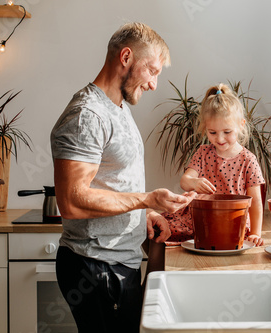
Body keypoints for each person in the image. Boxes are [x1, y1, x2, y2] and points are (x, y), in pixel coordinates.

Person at [50, 22, 195, 333]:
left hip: (116, 263)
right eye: (152, 71)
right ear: (126, 57)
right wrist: (145, 199)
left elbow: (110, 183)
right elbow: (72, 201)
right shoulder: (87, 115)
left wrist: (142, 215)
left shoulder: (117, 108)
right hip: (95, 267)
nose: (155, 84)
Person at [163, 83, 265, 247]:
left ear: (241, 125)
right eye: (212, 133)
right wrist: (194, 182)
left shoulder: (248, 160)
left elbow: (256, 203)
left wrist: (255, 233)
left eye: (227, 132)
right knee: (155, 226)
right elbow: (185, 180)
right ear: (205, 129)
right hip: (200, 219)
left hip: (233, 223)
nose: (220, 139)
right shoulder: (203, 153)